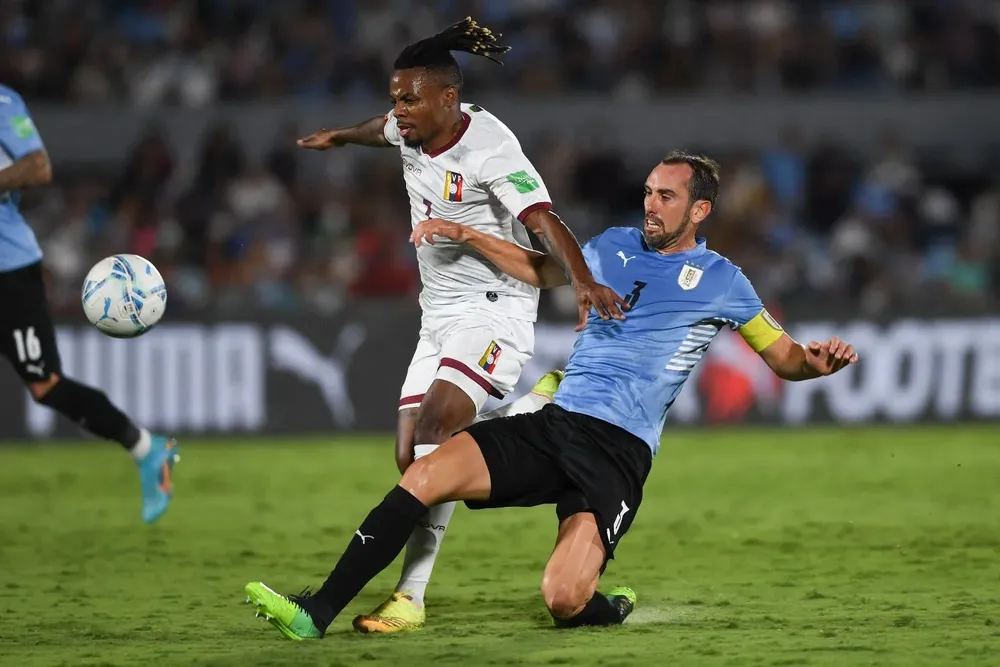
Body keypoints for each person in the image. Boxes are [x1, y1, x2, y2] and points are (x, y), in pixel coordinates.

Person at [243, 150, 859, 638]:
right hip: (555, 420)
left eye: (666, 196)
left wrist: (818, 363)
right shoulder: (610, 245)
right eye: (648, 191)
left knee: (563, 600)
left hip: (617, 452)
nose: (651, 204)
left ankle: (604, 607)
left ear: (699, 211)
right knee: (424, 473)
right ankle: (316, 611)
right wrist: (466, 233)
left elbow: (783, 359)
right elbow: (541, 269)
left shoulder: (724, 280)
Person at [295, 17, 626, 633]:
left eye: (409, 98)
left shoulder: (491, 148)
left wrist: (579, 278)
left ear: (448, 97)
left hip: (495, 305)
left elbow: (545, 221)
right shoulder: (412, 123)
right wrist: (341, 136)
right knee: (413, 460)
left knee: (438, 428)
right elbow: (381, 132)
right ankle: (528, 414)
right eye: (394, 97)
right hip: (438, 316)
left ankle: (409, 601)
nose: (398, 111)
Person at [0, 84, 179, 523]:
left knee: (45, 384)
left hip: (7, 268)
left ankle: (146, 448)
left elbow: (37, 167)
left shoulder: (2, 102)